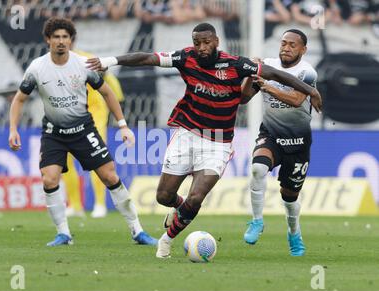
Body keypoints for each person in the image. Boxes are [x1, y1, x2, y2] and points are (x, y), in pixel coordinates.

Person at [86, 22, 322, 259]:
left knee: (196, 197)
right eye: (197, 42)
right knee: (163, 197)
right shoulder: (185, 58)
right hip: (187, 134)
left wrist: (310, 91)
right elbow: (148, 58)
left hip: (218, 143)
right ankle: (179, 209)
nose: (201, 47)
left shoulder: (236, 64)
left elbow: (274, 74)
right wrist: (110, 61)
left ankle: (166, 240)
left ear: (216, 42)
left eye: (206, 42)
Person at [8, 17, 157, 246]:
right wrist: (13, 129)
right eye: (56, 37)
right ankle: (63, 234)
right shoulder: (37, 68)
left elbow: (107, 93)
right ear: (48, 40)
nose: (61, 41)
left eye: (65, 37)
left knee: (109, 176)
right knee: (49, 179)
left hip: (83, 130)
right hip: (53, 132)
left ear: (71, 40)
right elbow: (19, 99)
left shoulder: (83, 65)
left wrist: (123, 125)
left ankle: (137, 231)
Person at [240, 29, 321, 256]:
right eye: (283, 43)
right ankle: (256, 221)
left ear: (303, 50)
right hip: (271, 134)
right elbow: (244, 98)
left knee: (290, 196)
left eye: (292, 45)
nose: (286, 47)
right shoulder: (266, 65)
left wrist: (267, 85)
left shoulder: (307, 72)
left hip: (298, 142)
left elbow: (296, 100)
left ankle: (294, 232)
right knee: (257, 168)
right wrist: (250, 74)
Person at [63, 48, 125, 219]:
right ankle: (75, 205)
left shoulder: (87, 59)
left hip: (94, 112)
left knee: (96, 156)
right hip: (70, 113)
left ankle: (100, 204)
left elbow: (109, 81)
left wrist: (117, 105)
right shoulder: (50, 64)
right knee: (65, 158)